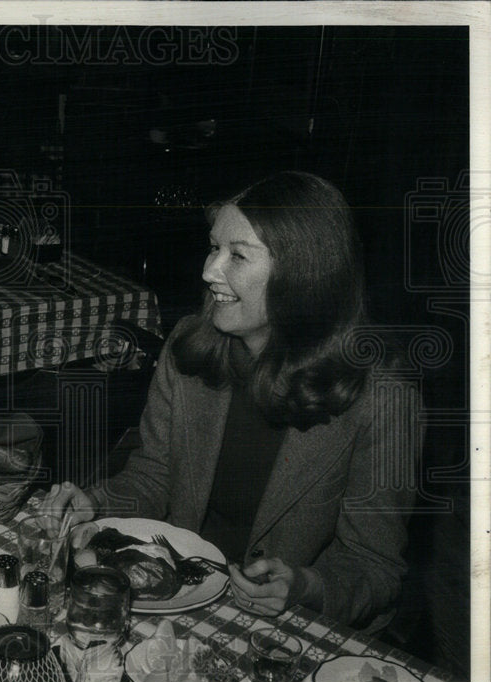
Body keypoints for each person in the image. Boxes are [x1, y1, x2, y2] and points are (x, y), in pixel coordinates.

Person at [43, 171, 419, 633]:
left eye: (237, 255)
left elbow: (373, 566)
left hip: (295, 630)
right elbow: (155, 474)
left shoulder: (383, 397)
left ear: (304, 274)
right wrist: (95, 504)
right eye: (213, 247)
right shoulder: (189, 346)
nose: (209, 271)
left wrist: (304, 586)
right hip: (183, 599)